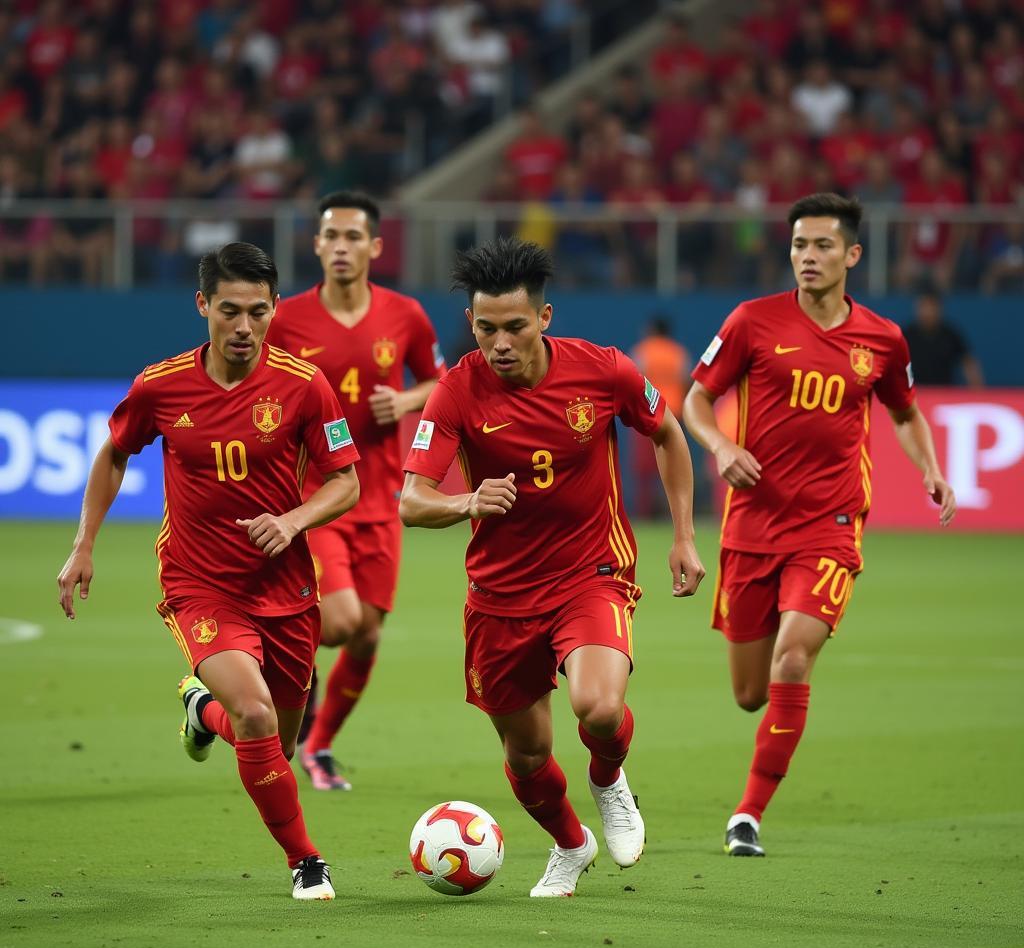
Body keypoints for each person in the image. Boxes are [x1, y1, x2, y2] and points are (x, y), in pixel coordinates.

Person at [399, 237, 705, 896]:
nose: (500, 342)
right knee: (527, 753)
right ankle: (571, 843)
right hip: (500, 594)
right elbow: (411, 501)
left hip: (590, 571)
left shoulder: (604, 371)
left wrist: (682, 536)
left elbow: (669, 434)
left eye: (514, 326)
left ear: (544, 317)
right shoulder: (455, 392)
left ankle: (607, 777)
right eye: (486, 329)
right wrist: (466, 501)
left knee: (596, 706)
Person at [57, 243, 360, 899]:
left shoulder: (305, 386)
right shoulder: (161, 385)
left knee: (272, 745)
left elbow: (347, 483)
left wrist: (293, 521)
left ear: (276, 307)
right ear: (203, 306)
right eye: (229, 311)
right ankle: (306, 861)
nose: (244, 326)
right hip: (201, 585)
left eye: (258, 311)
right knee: (252, 713)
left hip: (286, 588)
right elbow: (115, 453)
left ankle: (201, 711)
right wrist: (84, 543)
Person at [683, 193, 956, 858]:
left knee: (795, 656)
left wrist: (930, 467)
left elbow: (905, 411)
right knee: (750, 693)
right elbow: (694, 398)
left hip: (830, 526)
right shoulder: (752, 321)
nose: (808, 257)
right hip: (750, 527)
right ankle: (764, 737)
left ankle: (747, 815)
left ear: (852, 255)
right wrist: (720, 446)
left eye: (823, 246)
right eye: (800, 245)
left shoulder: (883, 339)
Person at [265, 191, 445, 792]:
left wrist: (406, 401)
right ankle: (265, 656)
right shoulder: (285, 320)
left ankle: (318, 746)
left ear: (375, 247)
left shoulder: (406, 315)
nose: (341, 247)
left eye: (352, 237)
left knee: (367, 634)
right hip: (317, 495)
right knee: (339, 622)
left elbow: (439, 382)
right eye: (330, 236)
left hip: (383, 497)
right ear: (316, 245)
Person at [629, 316, 692, 518]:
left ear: (652, 330)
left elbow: (632, 381)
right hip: (673, 415)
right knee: (673, 467)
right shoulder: (678, 353)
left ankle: (645, 513)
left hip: (647, 414)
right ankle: (672, 513)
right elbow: (686, 382)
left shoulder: (643, 350)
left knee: (645, 470)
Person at [902, 287, 985, 387]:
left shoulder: (950, 334)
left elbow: (968, 363)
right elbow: (893, 366)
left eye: (931, 306)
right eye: (923, 306)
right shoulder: (906, 335)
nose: (927, 312)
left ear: (939, 308)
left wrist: (977, 390)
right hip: (915, 393)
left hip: (944, 393)